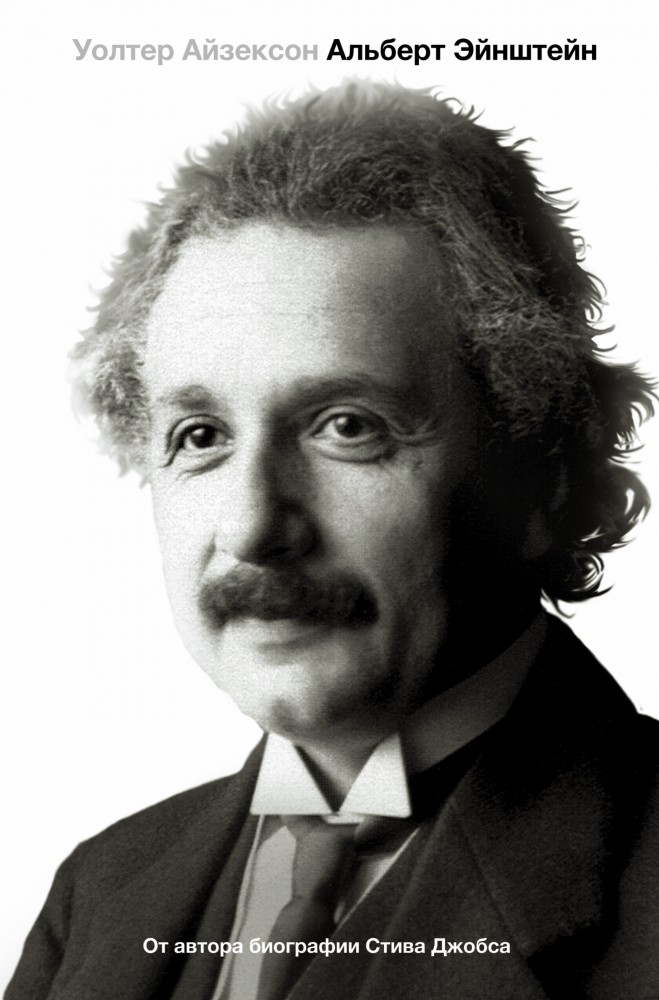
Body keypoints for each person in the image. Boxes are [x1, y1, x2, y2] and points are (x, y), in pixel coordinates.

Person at [6, 81, 659, 1000]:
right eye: (200, 436)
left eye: (348, 427)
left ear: (542, 476)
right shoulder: (99, 891)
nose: (252, 528)